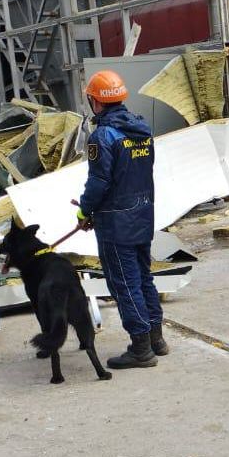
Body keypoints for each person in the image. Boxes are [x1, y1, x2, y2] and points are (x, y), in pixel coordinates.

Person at [76, 70, 167, 369]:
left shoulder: (103, 136)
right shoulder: (142, 129)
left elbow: (99, 182)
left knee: (125, 284)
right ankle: (157, 338)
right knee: (143, 278)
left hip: (116, 223)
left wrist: (85, 210)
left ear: (97, 102)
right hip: (142, 215)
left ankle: (141, 349)